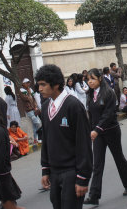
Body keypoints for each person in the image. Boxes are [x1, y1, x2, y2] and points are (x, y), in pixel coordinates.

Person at [37, 64, 93, 209]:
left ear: (55, 84)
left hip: (71, 172)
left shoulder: (73, 106)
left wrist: (82, 178)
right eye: (39, 85)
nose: (40, 89)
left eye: (43, 84)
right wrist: (45, 169)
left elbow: (84, 144)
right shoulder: (45, 108)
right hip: (55, 173)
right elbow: (46, 141)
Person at [83, 68, 127, 206]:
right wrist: (90, 130)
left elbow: (109, 114)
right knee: (97, 164)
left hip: (111, 130)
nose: (90, 82)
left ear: (100, 78)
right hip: (98, 133)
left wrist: (97, 129)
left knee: (119, 158)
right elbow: (90, 115)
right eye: (88, 79)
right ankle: (94, 195)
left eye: (93, 79)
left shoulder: (109, 93)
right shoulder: (89, 94)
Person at [18, 79, 42, 143]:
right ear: (23, 84)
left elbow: (33, 98)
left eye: (29, 83)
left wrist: (35, 106)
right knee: (37, 123)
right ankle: (39, 137)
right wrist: (29, 92)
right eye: (27, 83)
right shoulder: (21, 90)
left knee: (34, 125)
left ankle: (35, 139)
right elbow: (26, 98)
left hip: (33, 109)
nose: (28, 84)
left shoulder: (30, 89)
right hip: (28, 110)